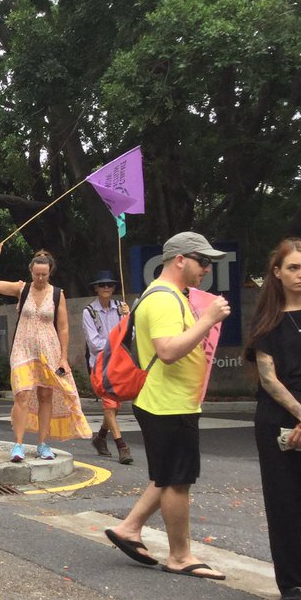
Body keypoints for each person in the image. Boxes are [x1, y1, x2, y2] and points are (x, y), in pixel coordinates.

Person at [103, 232, 231, 579]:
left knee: (168, 474)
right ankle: (180, 556)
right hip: (166, 404)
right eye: (202, 261)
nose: (207, 268)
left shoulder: (173, 296)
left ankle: (130, 528)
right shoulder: (163, 299)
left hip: (171, 402)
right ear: (179, 260)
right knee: (178, 480)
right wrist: (208, 320)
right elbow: (168, 351)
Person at [244, 239, 301, 600]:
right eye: (293, 268)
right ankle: (293, 587)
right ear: (277, 272)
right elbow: (269, 378)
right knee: (285, 504)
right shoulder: (267, 319)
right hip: (278, 416)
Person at [0, 244, 91, 462]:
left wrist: (63, 357)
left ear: (50, 272)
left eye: (44, 274)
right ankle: (18, 444)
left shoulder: (57, 294)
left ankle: (43, 444)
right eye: (37, 274)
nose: (40, 278)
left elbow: (63, 327)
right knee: (22, 394)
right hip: (22, 348)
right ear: (31, 272)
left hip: (49, 350)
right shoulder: (22, 289)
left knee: (46, 396)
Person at [81, 270, 134, 465]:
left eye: (109, 285)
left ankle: (101, 437)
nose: (106, 288)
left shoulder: (122, 308)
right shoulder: (89, 311)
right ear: (96, 288)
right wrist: (116, 342)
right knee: (110, 405)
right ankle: (122, 446)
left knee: (115, 404)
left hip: (119, 363)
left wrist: (128, 319)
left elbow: (132, 334)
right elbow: (94, 344)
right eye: (102, 285)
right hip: (100, 365)